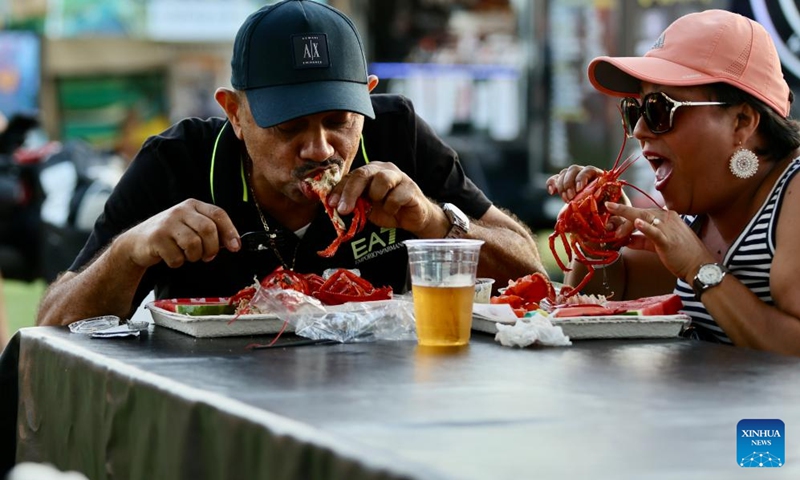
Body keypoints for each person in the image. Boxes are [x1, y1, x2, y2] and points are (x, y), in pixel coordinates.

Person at [36, 0, 544, 326]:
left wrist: (434, 222)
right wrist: (131, 251)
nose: (319, 148)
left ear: (367, 99)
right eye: (288, 125)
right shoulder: (178, 162)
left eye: (338, 120)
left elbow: (532, 272)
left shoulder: (397, 133)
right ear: (234, 113)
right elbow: (52, 324)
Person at [546, 9, 800, 356]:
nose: (639, 130)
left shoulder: (794, 190)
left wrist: (700, 268)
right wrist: (597, 239)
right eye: (633, 111)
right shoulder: (700, 204)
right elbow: (605, 304)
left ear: (742, 122)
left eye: (659, 109)